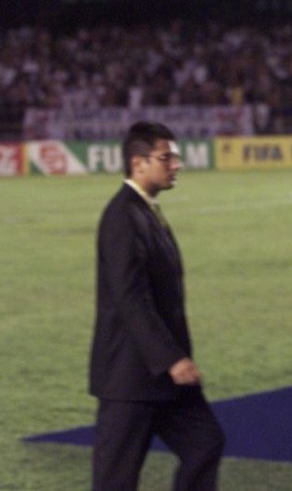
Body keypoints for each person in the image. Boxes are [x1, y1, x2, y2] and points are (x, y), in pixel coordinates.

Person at [89, 121, 224, 491]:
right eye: (167, 157)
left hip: (162, 378)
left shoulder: (145, 211)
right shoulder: (121, 216)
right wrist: (171, 358)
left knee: (205, 443)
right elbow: (129, 297)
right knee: (115, 481)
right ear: (139, 163)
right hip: (131, 377)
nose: (176, 164)